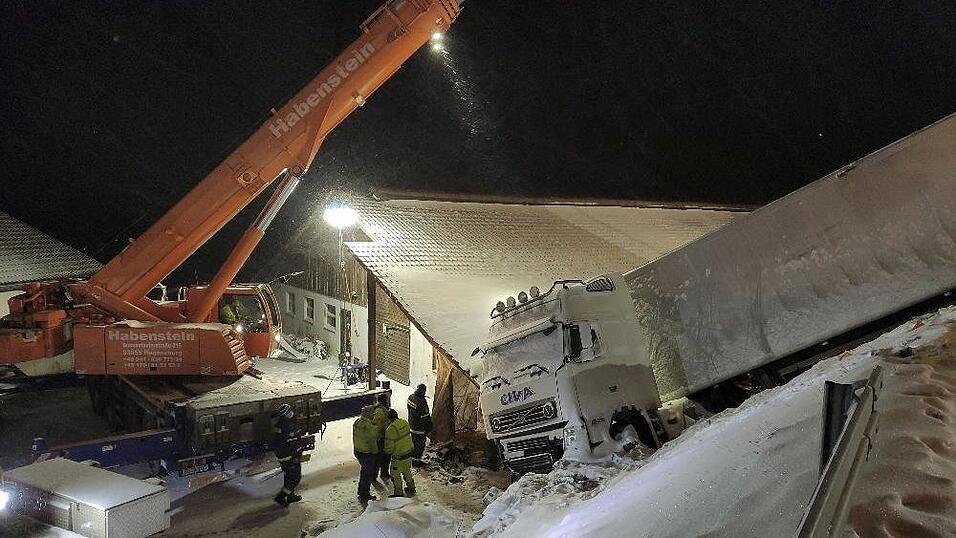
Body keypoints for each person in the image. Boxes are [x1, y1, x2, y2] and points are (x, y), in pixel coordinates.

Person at [272, 403, 303, 506]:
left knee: (288, 477)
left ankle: (291, 496)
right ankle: (280, 497)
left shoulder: (278, 425)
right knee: (295, 478)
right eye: (290, 411)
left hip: (283, 457)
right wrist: (296, 456)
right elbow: (293, 444)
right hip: (290, 457)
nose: (292, 413)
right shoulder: (289, 427)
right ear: (286, 414)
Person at [383, 409, 416, 497]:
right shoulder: (404, 422)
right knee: (407, 471)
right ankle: (411, 487)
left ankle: (398, 493)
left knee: (395, 474)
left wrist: (386, 452)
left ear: (389, 418)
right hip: (409, 452)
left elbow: (389, 447)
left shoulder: (390, 429)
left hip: (399, 455)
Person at [352, 404, 380, 502]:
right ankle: (364, 493)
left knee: (364, 471)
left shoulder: (357, 422)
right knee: (366, 474)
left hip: (357, 450)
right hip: (366, 453)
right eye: (373, 413)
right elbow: (372, 443)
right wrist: (376, 453)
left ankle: (361, 491)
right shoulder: (370, 427)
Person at [406, 384, 432, 467]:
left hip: (412, 425)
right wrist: (429, 427)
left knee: (413, 443)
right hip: (420, 427)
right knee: (420, 445)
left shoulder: (411, 397)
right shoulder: (421, 401)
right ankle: (416, 462)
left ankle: (412, 459)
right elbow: (425, 416)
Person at [372, 393, 391, 480]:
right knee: (378, 457)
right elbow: (377, 425)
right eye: (387, 399)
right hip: (380, 437)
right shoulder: (379, 411)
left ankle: (384, 473)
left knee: (386, 456)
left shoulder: (384, 408)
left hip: (385, 436)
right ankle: (374, 476)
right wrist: (384, 430)